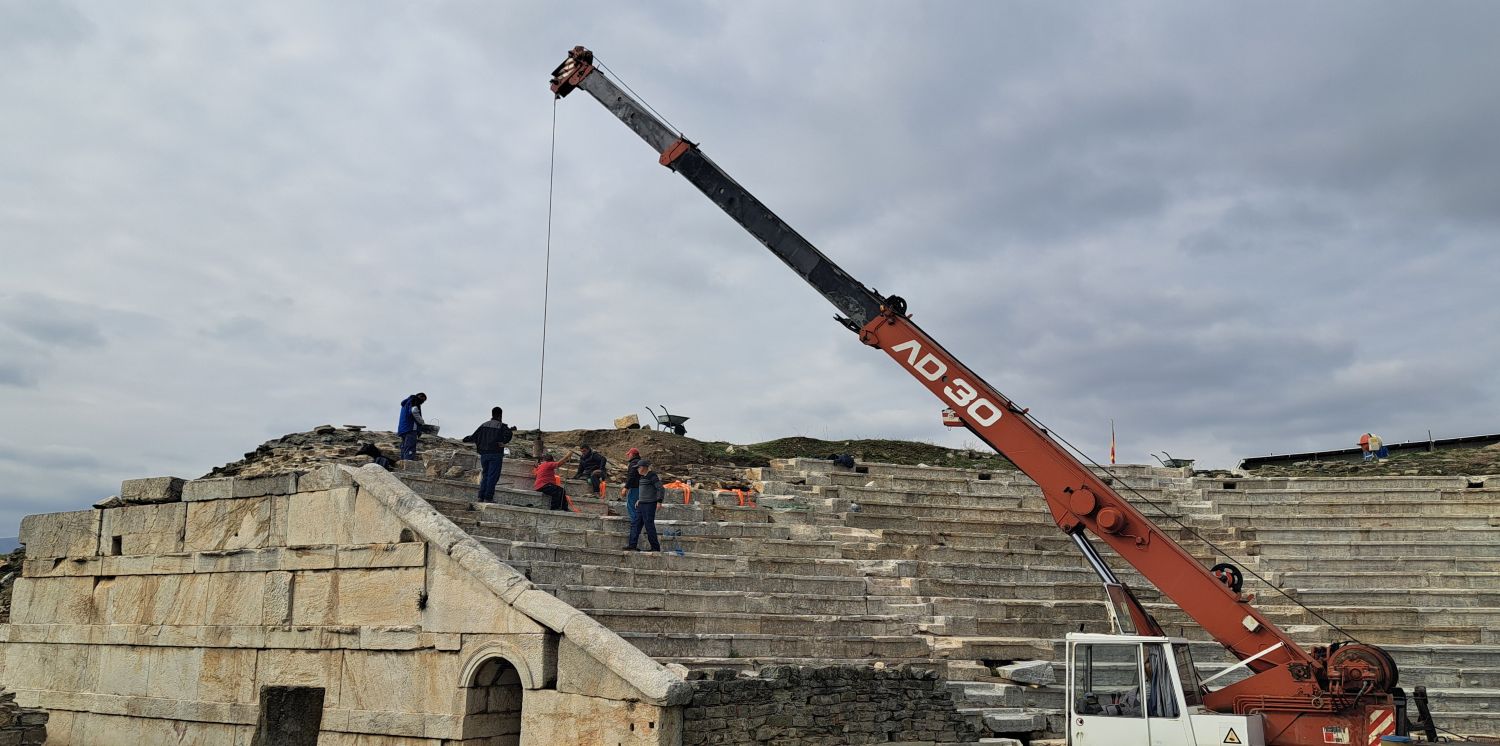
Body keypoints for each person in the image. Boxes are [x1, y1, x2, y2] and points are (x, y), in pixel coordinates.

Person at [463, 407, 516, 503]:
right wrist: (503, 441)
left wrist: (466, 439)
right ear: (500, 415)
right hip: (495, 454)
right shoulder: (501, 425)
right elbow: (509, 434)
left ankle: (481, 497)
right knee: (493, 476)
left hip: (484, 455)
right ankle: (488, 497)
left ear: (492, 414)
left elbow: (474, 436)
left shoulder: (484, 425)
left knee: (486, 475)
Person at [624, 459, 663, 552]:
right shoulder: (642, 478)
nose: (637, 469)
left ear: (644, 467)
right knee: (635, 524)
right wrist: (639, 499)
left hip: (649, 505)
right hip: (641, 504)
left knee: (649, 525)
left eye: (638, 467)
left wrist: (659, 501)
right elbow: (645, 491)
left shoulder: (652, 476)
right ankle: (632, 545)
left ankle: (655, 548)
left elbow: (660, 488)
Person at [397, 392, 428, 461]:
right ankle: (408, 464)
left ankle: (403, 464)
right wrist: (422, 422)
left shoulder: (406, 403)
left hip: (403, 429)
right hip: (410, 428)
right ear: (420, 397)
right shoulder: (414, 400)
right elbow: (414, 411)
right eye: (423, 399)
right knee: (410, 447)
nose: (423, 402)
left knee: (404, 447)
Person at [618, 447, 642, 522]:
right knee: (638, 507)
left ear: (632, 454)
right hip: (642, 488)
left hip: (635, 488)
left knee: (631, 506)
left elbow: (631, 476)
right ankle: (639, 523)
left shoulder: (633, 463)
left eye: (629, 454)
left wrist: (626, 488)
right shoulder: (641, 462)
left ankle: (635, 524)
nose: (628, 456)